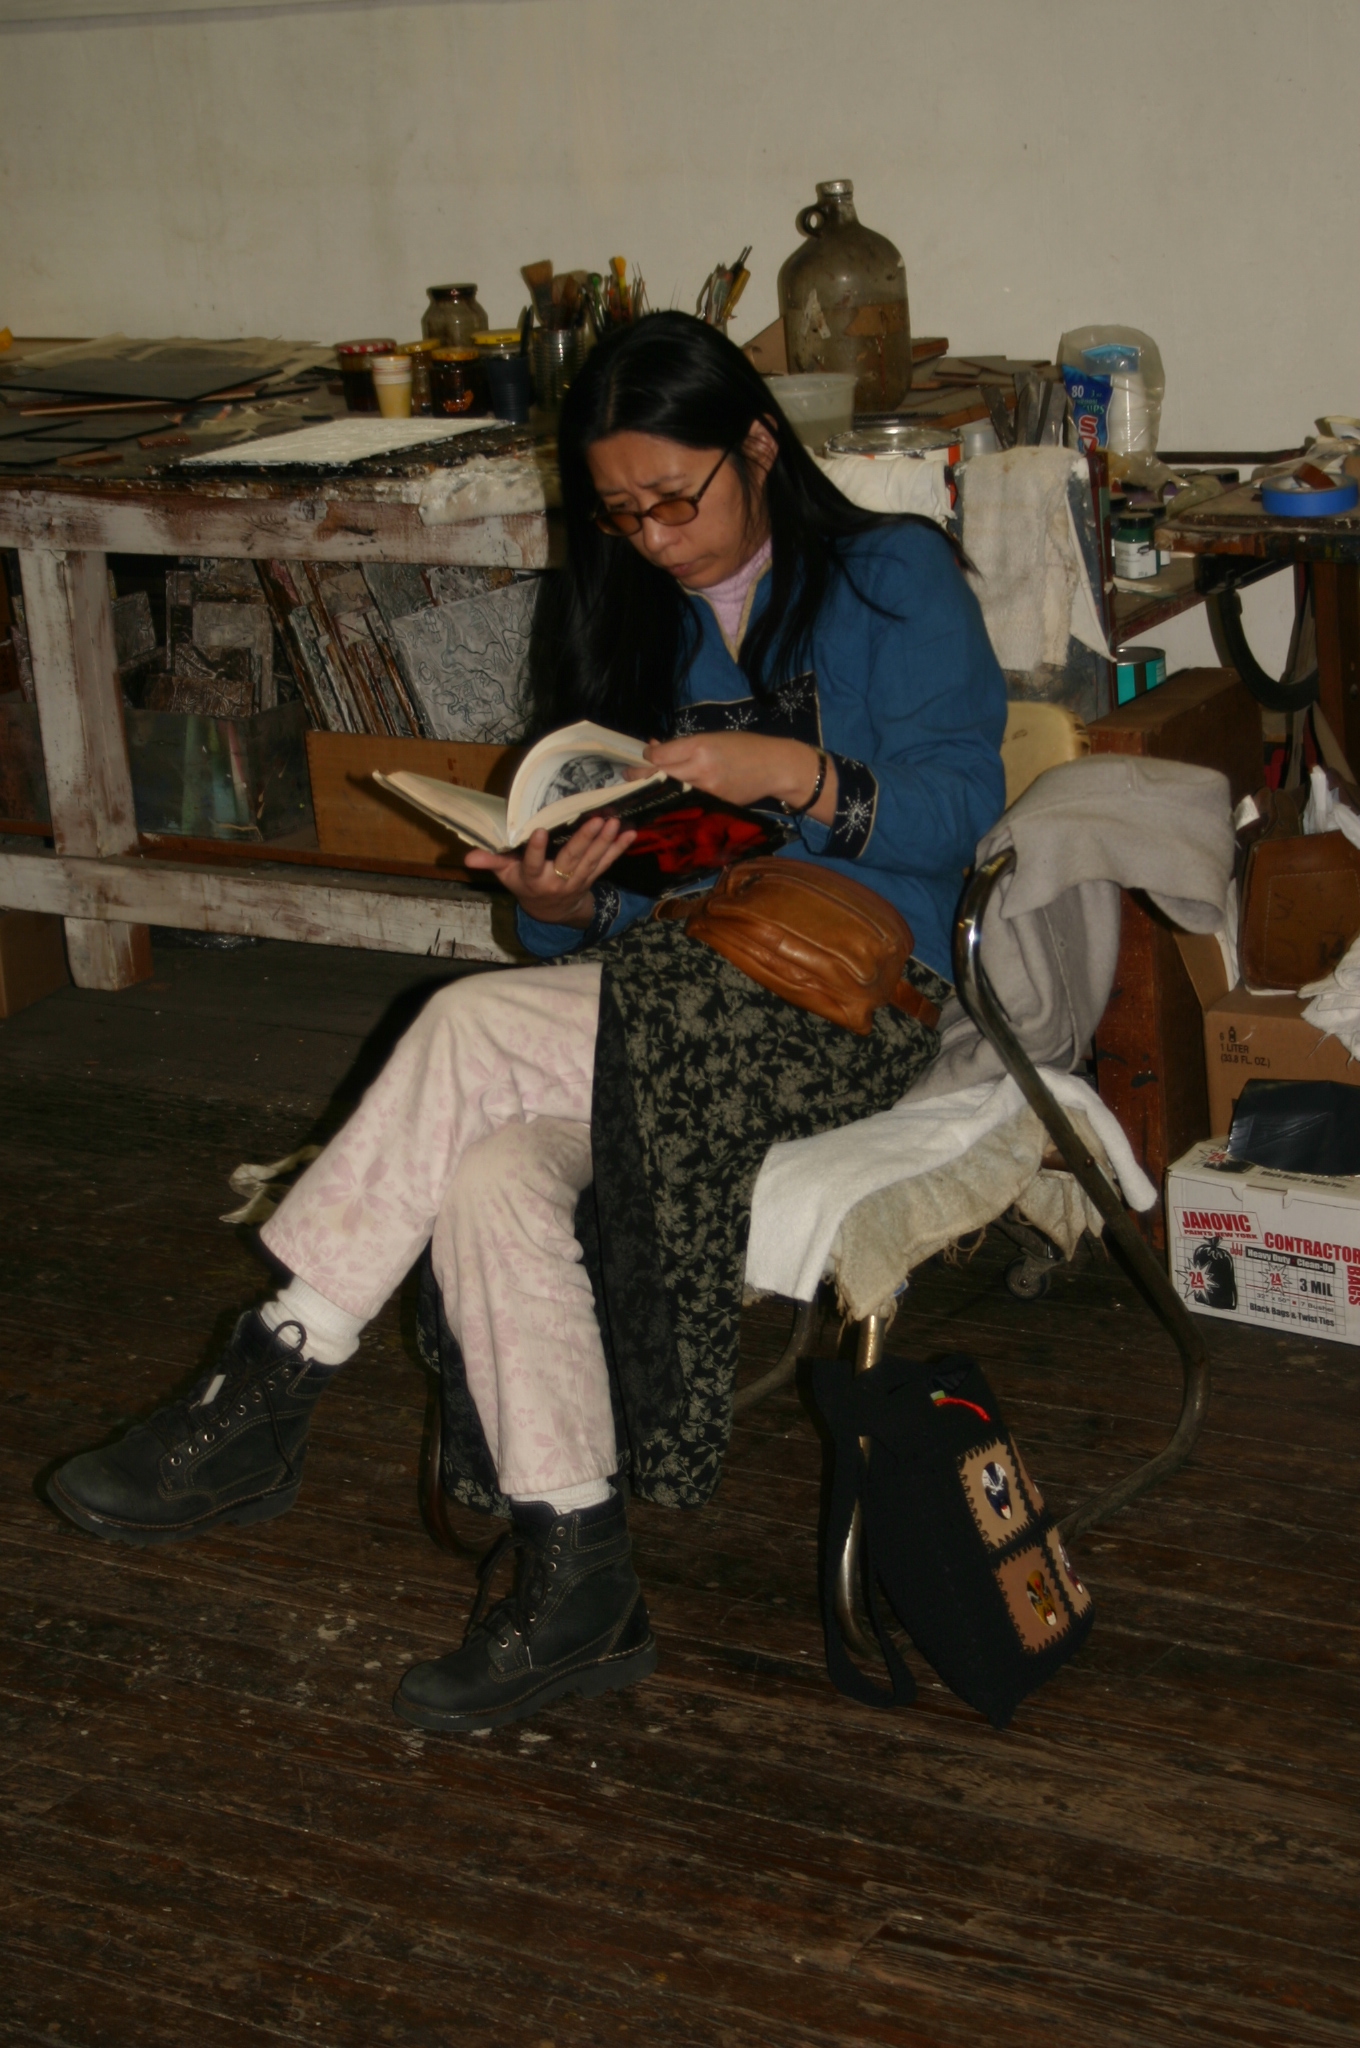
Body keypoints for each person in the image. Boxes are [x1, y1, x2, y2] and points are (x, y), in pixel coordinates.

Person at [47, 313, 1006, 1732]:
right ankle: (579, 1574)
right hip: (672, 1003)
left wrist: (790, 773)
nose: (655, 540)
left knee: (467, 1028)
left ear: (757, 444)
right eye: (622, 514)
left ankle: (275, 1371)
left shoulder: (889, 574)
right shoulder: (636, 617)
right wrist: (558, 899)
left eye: (675, 499)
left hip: (850, 1003)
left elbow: (962, 812)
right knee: (492, 1170)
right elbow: (621, 915)